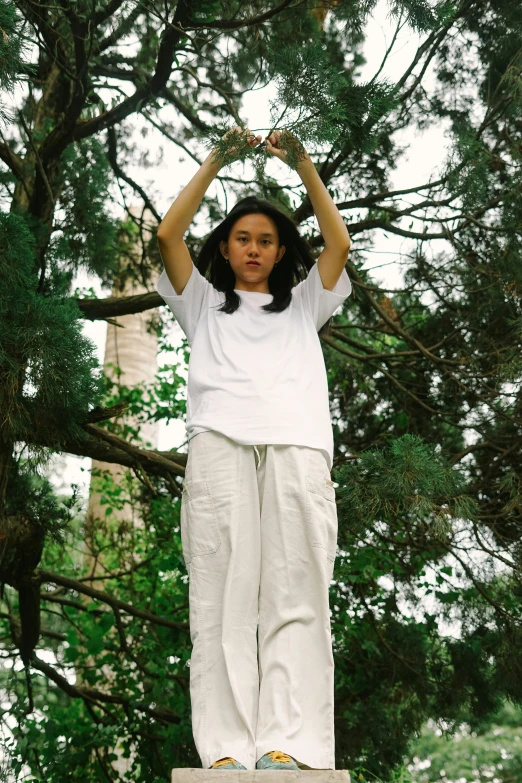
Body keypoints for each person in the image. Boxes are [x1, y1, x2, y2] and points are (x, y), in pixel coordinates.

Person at [155, 127, 352, 772]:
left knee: (297, 594)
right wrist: (217, 158)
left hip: (297, 449)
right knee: (220, 597)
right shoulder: (203, 302)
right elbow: (167, 236)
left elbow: (339, 243)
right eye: (243, 237)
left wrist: (303, 164)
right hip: (219, 446)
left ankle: (288, 746)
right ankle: (225, 752)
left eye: (266, 240)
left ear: (280, 250)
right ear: (226, 245)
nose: (254, 248)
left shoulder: (305, 305)